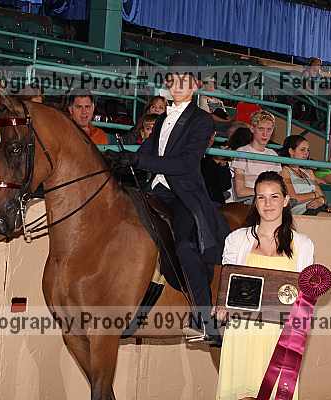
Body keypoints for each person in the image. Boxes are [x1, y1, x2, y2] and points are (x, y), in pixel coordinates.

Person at [107, 53, 230, 346]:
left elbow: (185, 164)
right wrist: (120, 159)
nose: (177, 85)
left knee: (185, 246)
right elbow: (147, 152)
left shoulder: (202, 121)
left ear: (196, 85)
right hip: (155, 191)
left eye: (184, 80)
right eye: (173, 80)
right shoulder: (162, 119)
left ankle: (204, 320)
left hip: (183, 195)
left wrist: (140, 160)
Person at [215, 171, 314, 400]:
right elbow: (227, 284)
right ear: (255, 202)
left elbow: (303, 296)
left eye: (274, 197)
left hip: (281, 335)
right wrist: (222, 307)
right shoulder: (236, 239)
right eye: (261, 197)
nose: (267, 204)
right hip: (242, 330)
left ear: (286, 200)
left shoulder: (304, 244)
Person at [281, 135, 331, 217]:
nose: (306, 153)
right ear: (291, 151)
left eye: (308, 150)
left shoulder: (308, 172)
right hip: (303, 211)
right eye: (302, 150)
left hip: (319, 208)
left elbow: (322, 196)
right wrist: (314, 195)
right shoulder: (285, 171)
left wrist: (320, 200)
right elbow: (293, 198)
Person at [230, 111, 281, 202]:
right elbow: (240, 191)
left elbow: (278, 185)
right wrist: (266, 193)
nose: (265, 134)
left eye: (269, 129)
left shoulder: (273, 154)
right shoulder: (242, 152)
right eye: (261, 129)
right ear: (252, 129)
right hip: (249, 200)